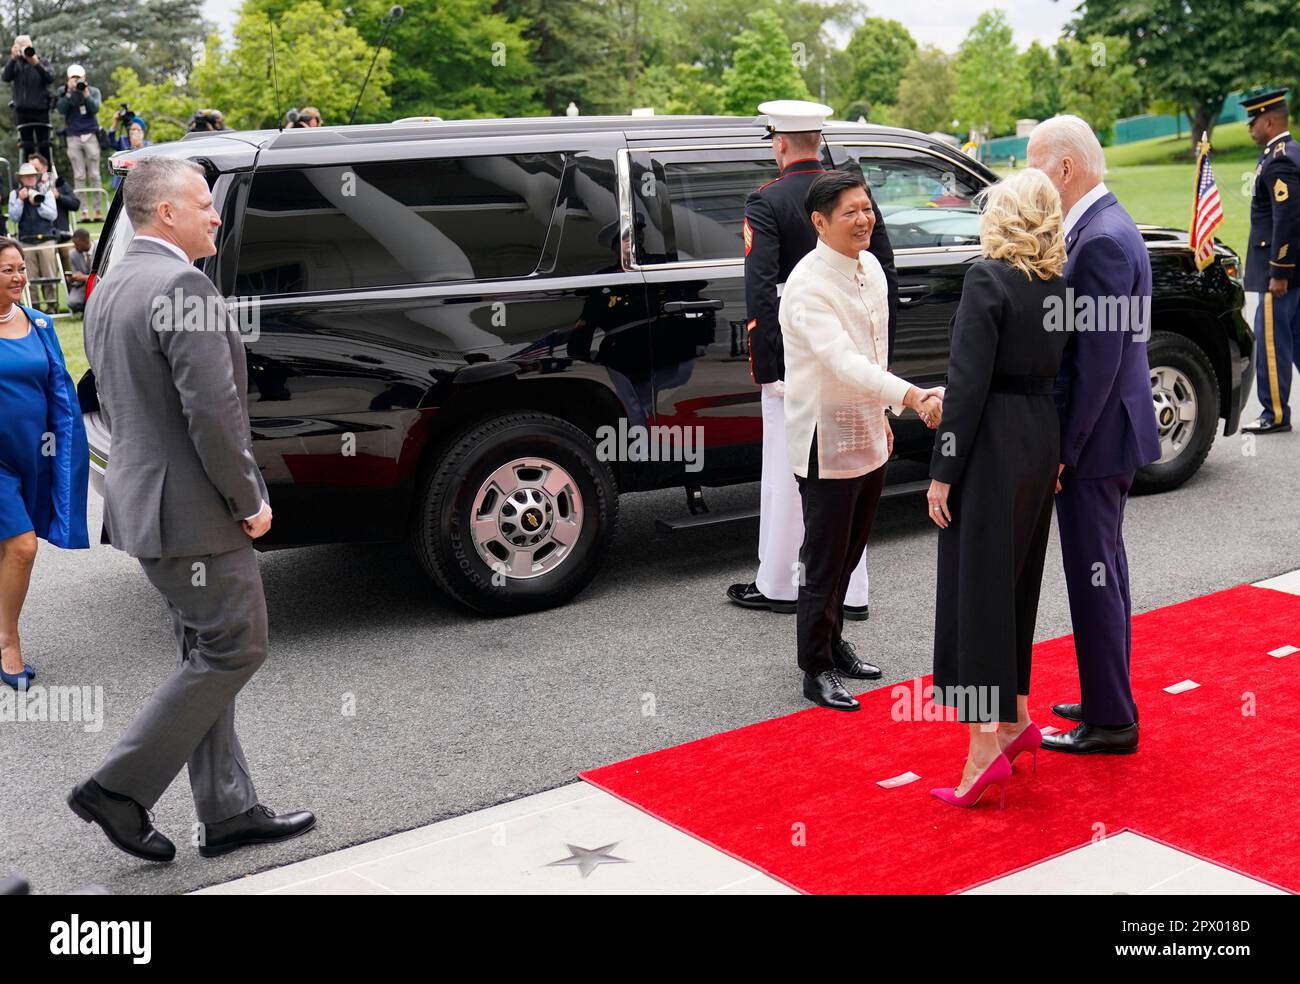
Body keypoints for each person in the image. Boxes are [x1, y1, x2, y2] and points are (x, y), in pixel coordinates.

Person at [72, 157, 315, 862]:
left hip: (144, 505)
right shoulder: (182, 284)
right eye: (204, 203)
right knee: (236, 647)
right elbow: (213, 414)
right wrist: (251, 500)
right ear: (167, 213)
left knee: (205, 651)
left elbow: (118, 404)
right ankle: (118, 790)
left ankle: (229, 810)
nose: (216, 214)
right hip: (195, 515)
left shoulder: (112, 283)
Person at [926, 170, 1070, 808]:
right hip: (1039, 438)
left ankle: (984, 743)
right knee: (1015, 582)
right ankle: (1013, 718)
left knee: (979, 591)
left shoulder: (987, 279)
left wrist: (942, 471)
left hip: (990, 443)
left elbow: (965, 389)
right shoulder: (1056, 285)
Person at [727, 99, 900, 624]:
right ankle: (852, 591)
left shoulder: (767, 200)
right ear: (818, 140)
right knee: (857, 468)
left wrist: (768, 368)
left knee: (788, 474)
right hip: (852, 354)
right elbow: (883, 269)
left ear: (779, 142)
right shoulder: (854, 192)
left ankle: (779, 581)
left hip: (798, 358)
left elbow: (760, 292)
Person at [779, 170, 940, 710]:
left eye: (867, 208)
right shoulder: (807, 285)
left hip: (867, 429)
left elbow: (874, 353)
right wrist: (911, 397)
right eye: (849, 212)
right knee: (823, 559)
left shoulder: (869, 265)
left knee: (850, 553)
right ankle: (815, 668)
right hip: (826, 438)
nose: (864, 219)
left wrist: (884, 415)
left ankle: (835, 641)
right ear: (820, 222)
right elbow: (843, 363)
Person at [1027, 115, 1160, 754]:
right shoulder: (1105, 226)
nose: (1032, 178)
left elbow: (1098, 364)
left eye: (1035, 165)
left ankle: (1111, 721)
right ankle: (1108, 695)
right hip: (1114, 433)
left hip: (1099, 439)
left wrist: (1064, 449)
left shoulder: (1100, 239)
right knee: (1105, 570)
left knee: (1094, 573)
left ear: (1065, 168)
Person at [0, 236, 89, 690]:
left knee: (9, 547)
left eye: (20, 269)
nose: (18, 277)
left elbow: (59, 390)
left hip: (34, 455)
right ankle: (8, 640)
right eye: (7, 270)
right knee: (22, 546)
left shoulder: (39, 323)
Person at [1239, 88, 1300, 434]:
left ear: (1271, 121)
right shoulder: (1290, 152)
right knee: (1298, 337)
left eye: (1254, 121)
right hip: (1293, 270)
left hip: (1280, 273)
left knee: (1273, 342)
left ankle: (1274, 413)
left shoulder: (1278, 158)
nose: (1250, 127)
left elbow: (1287, 218)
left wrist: (1279, 271)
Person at [8, 162, 60, 314]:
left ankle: (52, 306)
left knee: (49, 275)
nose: (30, 179)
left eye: (32, 176)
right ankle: (33, 307)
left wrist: (37, 203)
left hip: (46, 239)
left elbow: (52, 214)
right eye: (26, 177)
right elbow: (14, 217)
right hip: (26, 241)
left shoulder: (46, 191)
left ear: (36, 177)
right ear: (21, 179)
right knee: (28, 278)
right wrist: (20, 201)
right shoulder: (14, 194)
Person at [56, 63, 104, 222]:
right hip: (73, 136)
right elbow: (61, 109)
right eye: (73, 78)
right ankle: (83, 210)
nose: (76, 81)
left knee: (95, 174)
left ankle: (97, 210)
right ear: (68, 79)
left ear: (84, 78)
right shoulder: (63, 92)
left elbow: (95, 108)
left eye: (79, 78)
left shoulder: (93, 91)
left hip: (90, 134)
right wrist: (69, 93)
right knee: (79, 175)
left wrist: (86, 93)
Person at [3, 35, 54, 165]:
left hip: (41, 110)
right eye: (22, 46)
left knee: (44, 146)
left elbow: (50, 78)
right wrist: (13, 59)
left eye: (28, 46)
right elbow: (5, 77)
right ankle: (28, 177)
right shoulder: (16, 64)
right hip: (22, 111)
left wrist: (36, 64)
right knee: (27, 148)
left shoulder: (41, 61)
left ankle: (46, 177)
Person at [110, 114, 150, 191]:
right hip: (123, 181)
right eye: (133, 129)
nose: (135, 132)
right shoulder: (123, 140)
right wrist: (116, 122)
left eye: (138, 130)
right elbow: (110, 142)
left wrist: (139, 145)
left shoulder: (147, 144)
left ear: (142, 132)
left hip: (141, 181)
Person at [63, 228, 93, 313]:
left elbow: (105, 274)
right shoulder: (73, 254)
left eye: (77, 244)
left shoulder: (101, 249)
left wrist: (84, 277)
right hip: (82, 285)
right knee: (72, 303)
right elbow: (75, 273)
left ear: (86, 241)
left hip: (99, 284)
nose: (75, 247)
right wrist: (72, 278)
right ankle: (85, 310)